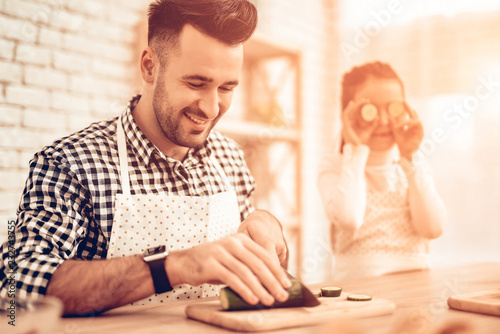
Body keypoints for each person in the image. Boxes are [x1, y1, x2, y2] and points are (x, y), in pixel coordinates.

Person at [0, 0, 293, 316]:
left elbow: (259, 272)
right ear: (149, 67)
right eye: (196, 83)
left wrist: (271, 231)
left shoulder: (230, 158)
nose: (211, 109)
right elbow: (13, 285)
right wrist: (174, 266)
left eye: (226, 88)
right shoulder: (69, 163)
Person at [317, 61, 447, 280]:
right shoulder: (336, 165)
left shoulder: (412, 165)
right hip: (360, 297)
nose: (384, 120)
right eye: (371, 110)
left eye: (393, 108)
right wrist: (357, 150)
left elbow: (433, 228)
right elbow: (349, 218)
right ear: (348, 115)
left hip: (415, 293)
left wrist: (409, 158)